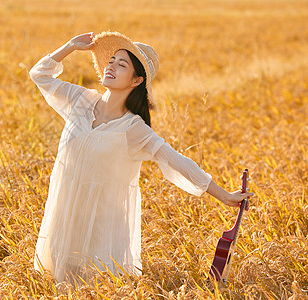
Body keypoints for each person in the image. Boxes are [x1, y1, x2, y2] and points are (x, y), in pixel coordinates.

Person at [29, 31, 253, 284]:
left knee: (91, 286)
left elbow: (176, 161)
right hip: (65, 210)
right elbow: (39, 75)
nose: (111, 66)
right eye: (111, 60)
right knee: (54, 282)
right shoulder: (80, 100)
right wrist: (70, 46)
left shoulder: (133, 128)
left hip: (101, 223)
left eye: (121, 64)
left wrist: (224, 195)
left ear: (136, 81)